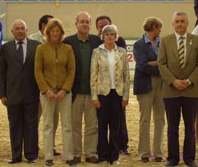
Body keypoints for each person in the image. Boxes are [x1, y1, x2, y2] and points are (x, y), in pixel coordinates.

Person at [158, 12, 198, 167]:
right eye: (177, 21)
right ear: (173, 24)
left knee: (190, 127)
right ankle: (173, 158)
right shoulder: (165, 41)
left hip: (191, 91)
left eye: (182, 21)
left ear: (187, 23)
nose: (180, 24)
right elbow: (161, 64)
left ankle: (189, 158)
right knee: (172, 127)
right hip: (171, 91)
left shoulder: (197, 41)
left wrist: (189, 81)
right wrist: (173, 81)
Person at [34, 18, 76, 166]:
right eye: (53, 31)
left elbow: (71, 71)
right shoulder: (41, 49)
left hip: (64, 92)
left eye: (58, 31)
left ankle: (69, 155)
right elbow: (38, 71)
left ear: (61, 33)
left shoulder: (68, 49)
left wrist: (65, 89)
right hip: (48, 92)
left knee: (66, 124)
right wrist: (46, 91)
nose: (55, 33)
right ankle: (48, 156)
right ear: (48, 32)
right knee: (48, 124)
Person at [0, 20, 40, 164]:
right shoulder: (5, 48)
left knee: (31, 125)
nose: (20, 31)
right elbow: (2, 72)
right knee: (14, 126)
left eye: (22, 28)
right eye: (17, 29)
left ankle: (31, 155)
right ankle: (16, 156)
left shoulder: (37, 46)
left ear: (27, 30)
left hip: (32, 93)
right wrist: (2, 93)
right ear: (12, 32)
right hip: (12, 95)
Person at [63, 12, 101, 164]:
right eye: (82, 22)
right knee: (74, 125)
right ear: (76, 24)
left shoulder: (97, 41)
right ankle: (76, 154)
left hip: (93, 92)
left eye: (87, 22)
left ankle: (91, 153)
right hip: (74, 92)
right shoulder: (68, 42)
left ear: (90, 25)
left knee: (92, 125)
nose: (84, 24)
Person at [90, 24, 130, 165]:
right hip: (102, 94)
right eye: (107, 34)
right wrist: (94, 97)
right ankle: (103, 156)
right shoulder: (96, 52)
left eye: (112, 34)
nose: (109, 37)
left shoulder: (122, 52)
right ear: (103, 36)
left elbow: (126, 76)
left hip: (117, 94)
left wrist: (125, 96)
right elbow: (93, 76)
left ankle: (114, 157)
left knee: (115, 126)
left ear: (115, 37)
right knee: (102, 126)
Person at [133, 17, 165, 163]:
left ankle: (158, 153)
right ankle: (144, 153)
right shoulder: (139, 44)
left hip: (162, 84)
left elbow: (167, 62)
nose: (160, 31)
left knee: (160, 119)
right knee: (144, 119)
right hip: (145, 84)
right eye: (158, 28)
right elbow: (141, 65)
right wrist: (159, 66)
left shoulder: (162, 42)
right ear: (153, 27)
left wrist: (154, 64)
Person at [28, 14, 61, 157]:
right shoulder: (32, 40)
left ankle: (51, 145)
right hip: (36, 86)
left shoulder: (59, 41)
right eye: (50, 23)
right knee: (35, 117)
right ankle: (32, 145)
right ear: (42, 26)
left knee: (53, 118)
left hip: (53, 87)